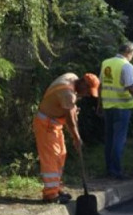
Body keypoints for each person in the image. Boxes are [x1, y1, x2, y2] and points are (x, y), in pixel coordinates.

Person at [33, 73, 100, 204]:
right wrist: (76, 138)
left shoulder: (71, 78)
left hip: (54, 124)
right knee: (52, 157)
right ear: (83, 84)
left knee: (61, 155)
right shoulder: (67, 93)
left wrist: (73, 108)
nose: (87, 95)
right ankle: (50, 195)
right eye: (87, 91)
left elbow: (68, 108)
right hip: (46, 124)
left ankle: (56, 188)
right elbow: (70, 120)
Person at [98, 42, 133, 179]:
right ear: (129, 52)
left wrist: (99, 105)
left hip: (107, 107)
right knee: (119, 140)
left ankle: (109, 169)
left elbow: (100, 86)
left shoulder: (106, 63)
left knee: (110, 140)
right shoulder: (126, 66)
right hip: (122, 108)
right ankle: (116, 171)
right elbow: (131, 88)